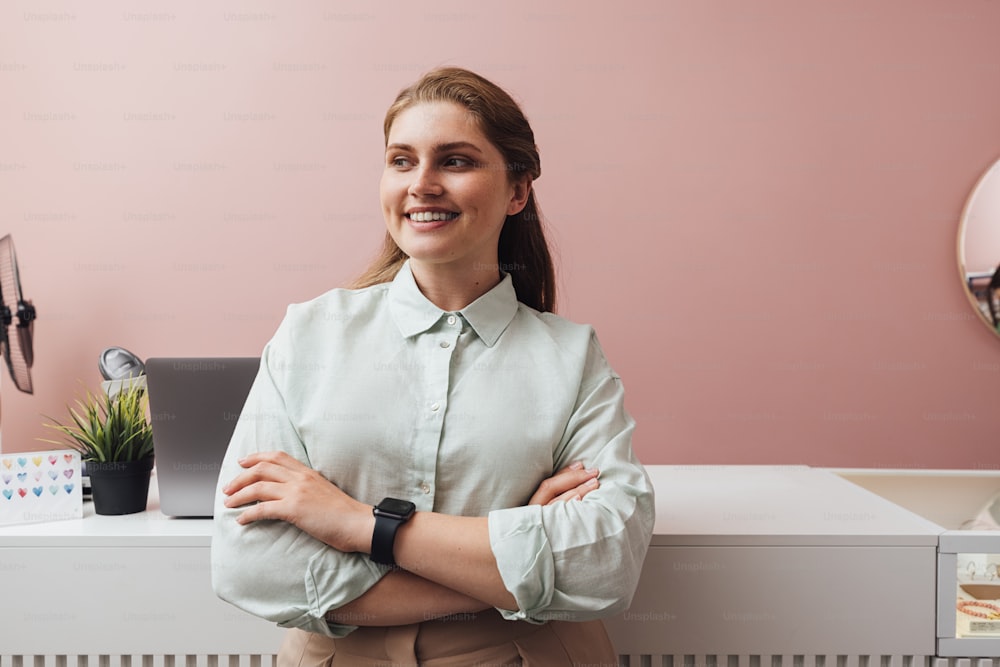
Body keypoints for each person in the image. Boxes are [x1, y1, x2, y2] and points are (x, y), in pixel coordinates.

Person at [211, 66, 655, 666]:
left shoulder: (572, 357)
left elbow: (606, 564)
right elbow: (251, 564)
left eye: (455, 161)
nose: (422, 184)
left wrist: (361, 526)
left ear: (518, 190)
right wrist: (510, 558)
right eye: (401, 160)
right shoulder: (308, 335)